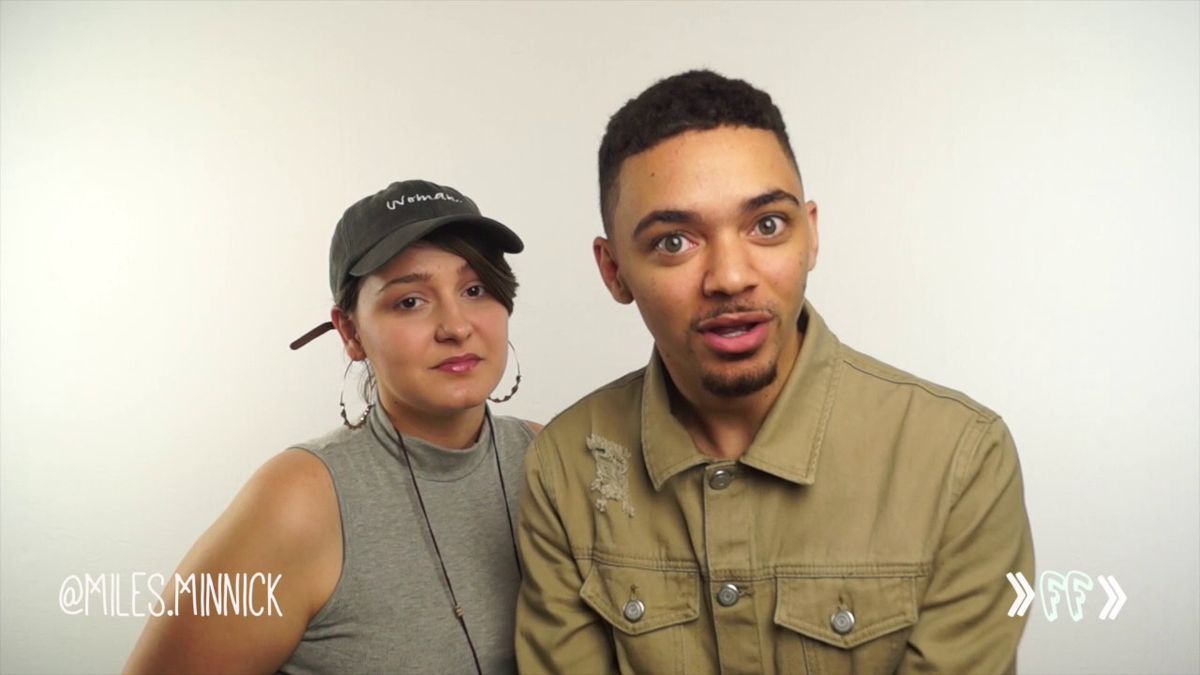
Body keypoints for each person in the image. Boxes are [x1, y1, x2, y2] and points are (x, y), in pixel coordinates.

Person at [515, 70, 1035, 674]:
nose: (731, 277)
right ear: (614, 272)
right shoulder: (566, 466)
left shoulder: (960, 458)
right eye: (674, 241)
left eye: (766, 225)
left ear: (810, 234)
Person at [125, 179, 537, 674]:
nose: (456, 326)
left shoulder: (551, 459)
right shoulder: (299, 500)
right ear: (350, 332)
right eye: (410, 301)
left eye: (475, 290)